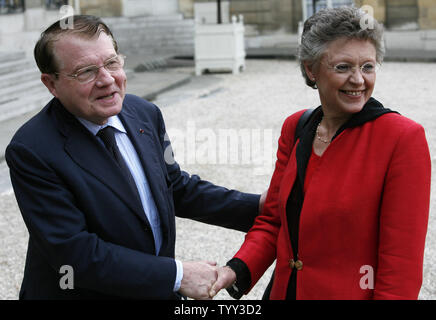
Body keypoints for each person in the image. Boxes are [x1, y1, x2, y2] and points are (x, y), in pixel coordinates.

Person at [5, 15, 264, 300]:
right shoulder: (32, 150)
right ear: (51, 84)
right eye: (86, 71)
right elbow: (76, 253)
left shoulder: (144, 113)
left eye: (112, 63)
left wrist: (259, 206)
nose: (107, 79)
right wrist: (177, 276)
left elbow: (175, 186)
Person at [210, 6, 431, 300]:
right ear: (310, 69)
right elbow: (274, 221)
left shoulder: (402, 138)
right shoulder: (296, 127)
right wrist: (235, 270)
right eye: (342, 67)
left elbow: (400, 269)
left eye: (367, 66)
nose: (358, 80)